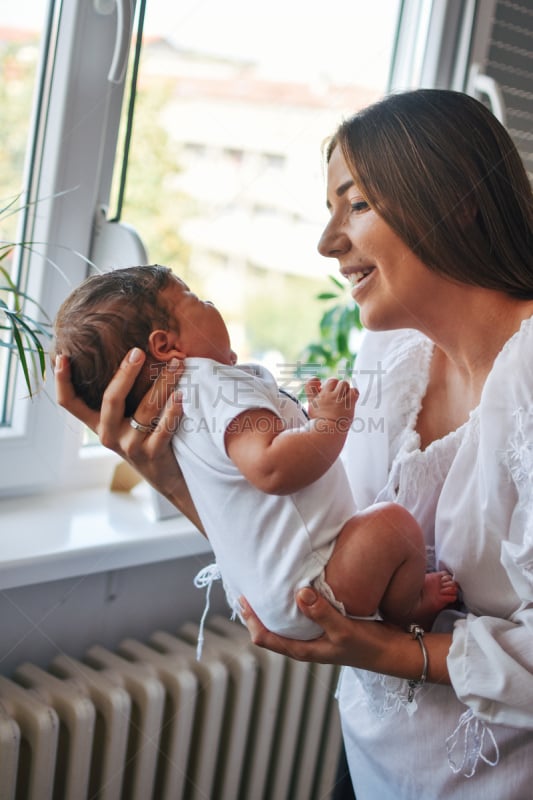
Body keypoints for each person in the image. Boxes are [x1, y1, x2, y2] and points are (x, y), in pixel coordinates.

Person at [54, 88, 533, 798]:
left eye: (356, 205)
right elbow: (318, 548)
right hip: (369, 755)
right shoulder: (388, 355)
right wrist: (183, 481)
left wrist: (384, 649)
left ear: (456, 199)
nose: (326, 242)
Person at [52, 265, 456, 643]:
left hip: (283, 591)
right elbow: (271, 468)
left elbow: (256, 474)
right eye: (194, 298)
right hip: (314, 582)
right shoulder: (208, 383)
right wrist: (332, 424)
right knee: (393, 525)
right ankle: (407, 608)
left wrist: (308, 424)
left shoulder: (179, 410)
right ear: (165, 344)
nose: (210, 304)